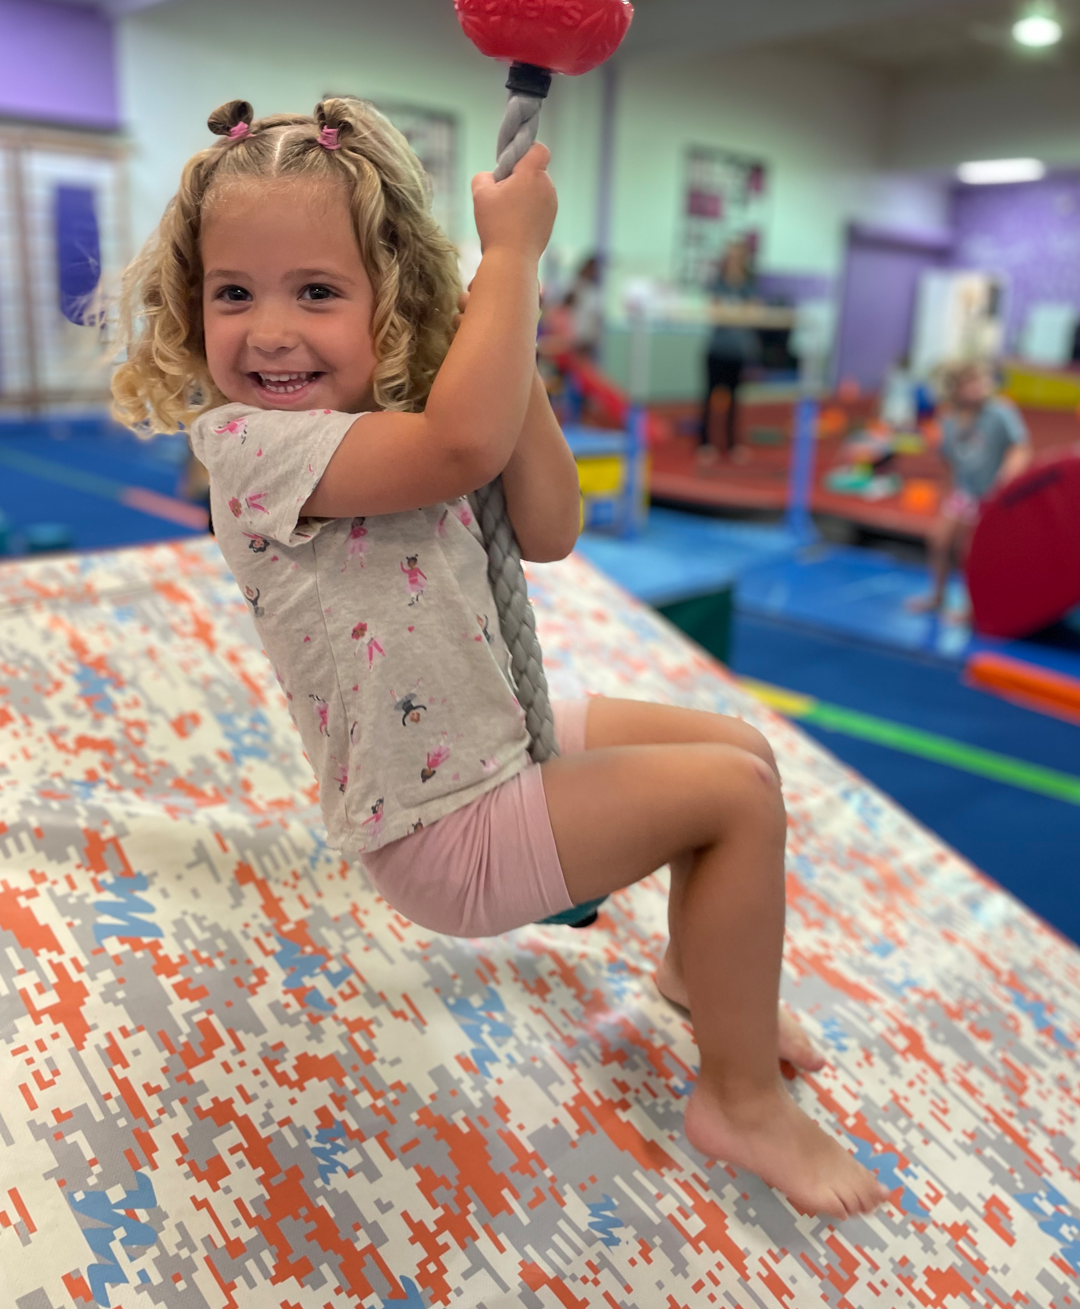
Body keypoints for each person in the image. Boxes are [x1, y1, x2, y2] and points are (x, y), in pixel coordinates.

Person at [111, 96, 886, 1220]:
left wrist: (487, 324)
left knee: (736, 749)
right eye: (234, 293)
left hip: (493, 739)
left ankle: (694, 973)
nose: (269, 330)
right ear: (195, 306)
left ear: (389, 304)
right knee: (727, 801)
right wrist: (516, 258)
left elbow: (554, 523)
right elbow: (458, 446)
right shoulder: (246, 444)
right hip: (438, 826)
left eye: (316, 292)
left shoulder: (418, 404)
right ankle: (740, 1100)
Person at [909, 359, 1032, 617]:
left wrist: (1006, 477)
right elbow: (948, 461)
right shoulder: (949, 419)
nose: (980, 387)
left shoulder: (1000, 412)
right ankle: (937, 596)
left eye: (983, 381)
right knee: (939, 541)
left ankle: (972, 607)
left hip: (991, 496)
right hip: (964, 493)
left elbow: (1020, 448)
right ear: (956, 389)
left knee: (971, 551)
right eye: (972, 383)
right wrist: (947, 494)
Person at [698, 236, 759, 465]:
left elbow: (754, 313)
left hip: (738, 351)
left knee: (735, 399)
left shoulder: (749, 284)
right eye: (730, 255)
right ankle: (705, 443)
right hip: (717, 349)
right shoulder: (718, 282)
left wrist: (736, 313)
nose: (733, 259)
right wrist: (737, 313)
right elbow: (715, 311)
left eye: (737, 254)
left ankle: (731, 444)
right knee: (709, 397)